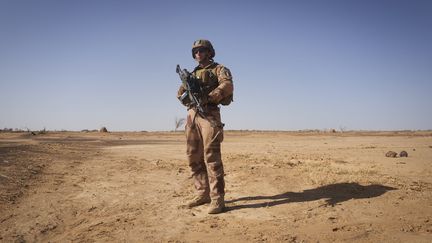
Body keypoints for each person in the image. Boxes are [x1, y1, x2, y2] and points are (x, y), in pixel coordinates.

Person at [177, 39, 234, 214]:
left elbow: (227, 85)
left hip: (209, 114)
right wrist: (187, 96)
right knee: (193, 156)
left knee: (212, 157)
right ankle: (202, 193)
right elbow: (179, 93)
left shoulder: (219, 69)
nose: (198, 54)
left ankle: (218, 199)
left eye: (202, 50)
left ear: (209, 52)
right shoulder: (192, 73)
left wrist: (209, 97)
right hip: (192, 116)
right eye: (195, 51)